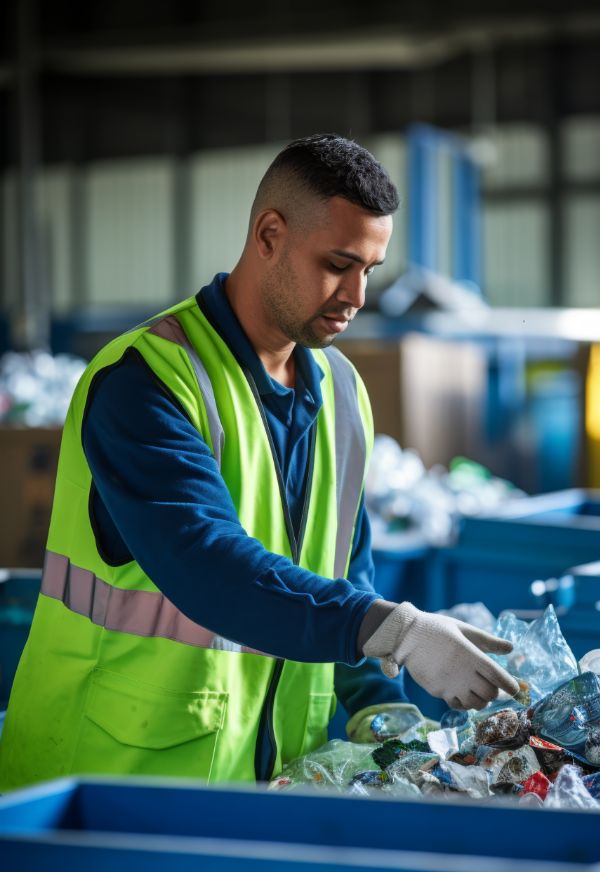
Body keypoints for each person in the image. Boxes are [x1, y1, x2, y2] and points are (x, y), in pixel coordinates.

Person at [0, 134, 518, 791]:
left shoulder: (343, 393)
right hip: (111, 784)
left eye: (370, 269)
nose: (357, 294)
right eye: (338, 263)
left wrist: (373, 700)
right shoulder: (147, 380)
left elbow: (342, 568)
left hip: (260, 788)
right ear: (269, 233)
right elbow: (205, 562)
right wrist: (392, 630)